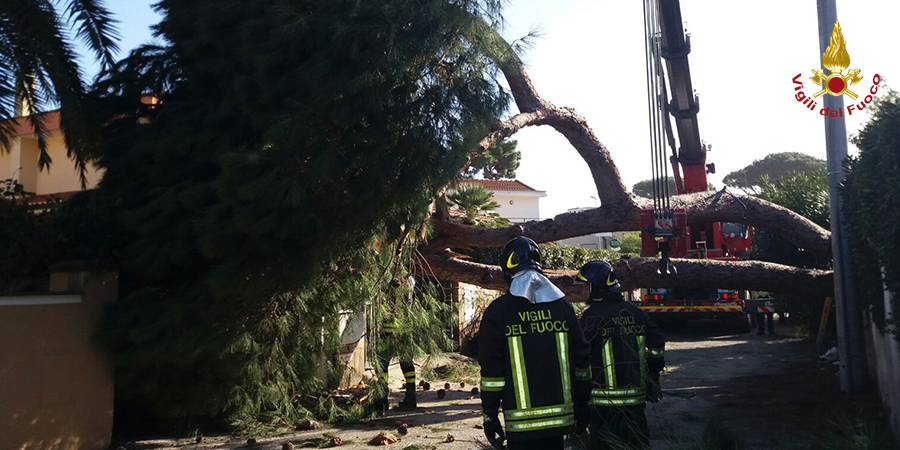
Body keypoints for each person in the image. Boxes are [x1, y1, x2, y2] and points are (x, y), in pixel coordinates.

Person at [478, 237, 592, 450]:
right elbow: (582, 360)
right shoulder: (563, 309)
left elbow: (492, 372)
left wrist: (490, 415)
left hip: (520, 429)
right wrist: (584, 403)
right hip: (560, 424)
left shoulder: (498, 312)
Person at [575, 260, 665, 450]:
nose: (583, 291)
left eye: (586, 286)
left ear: (597, 288)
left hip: (603, 404)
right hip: (635, 402)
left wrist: (579, 396)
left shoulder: (591, 317)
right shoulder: (636, 313)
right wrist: (653, 376)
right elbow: (657, 344)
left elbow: (579, 356)